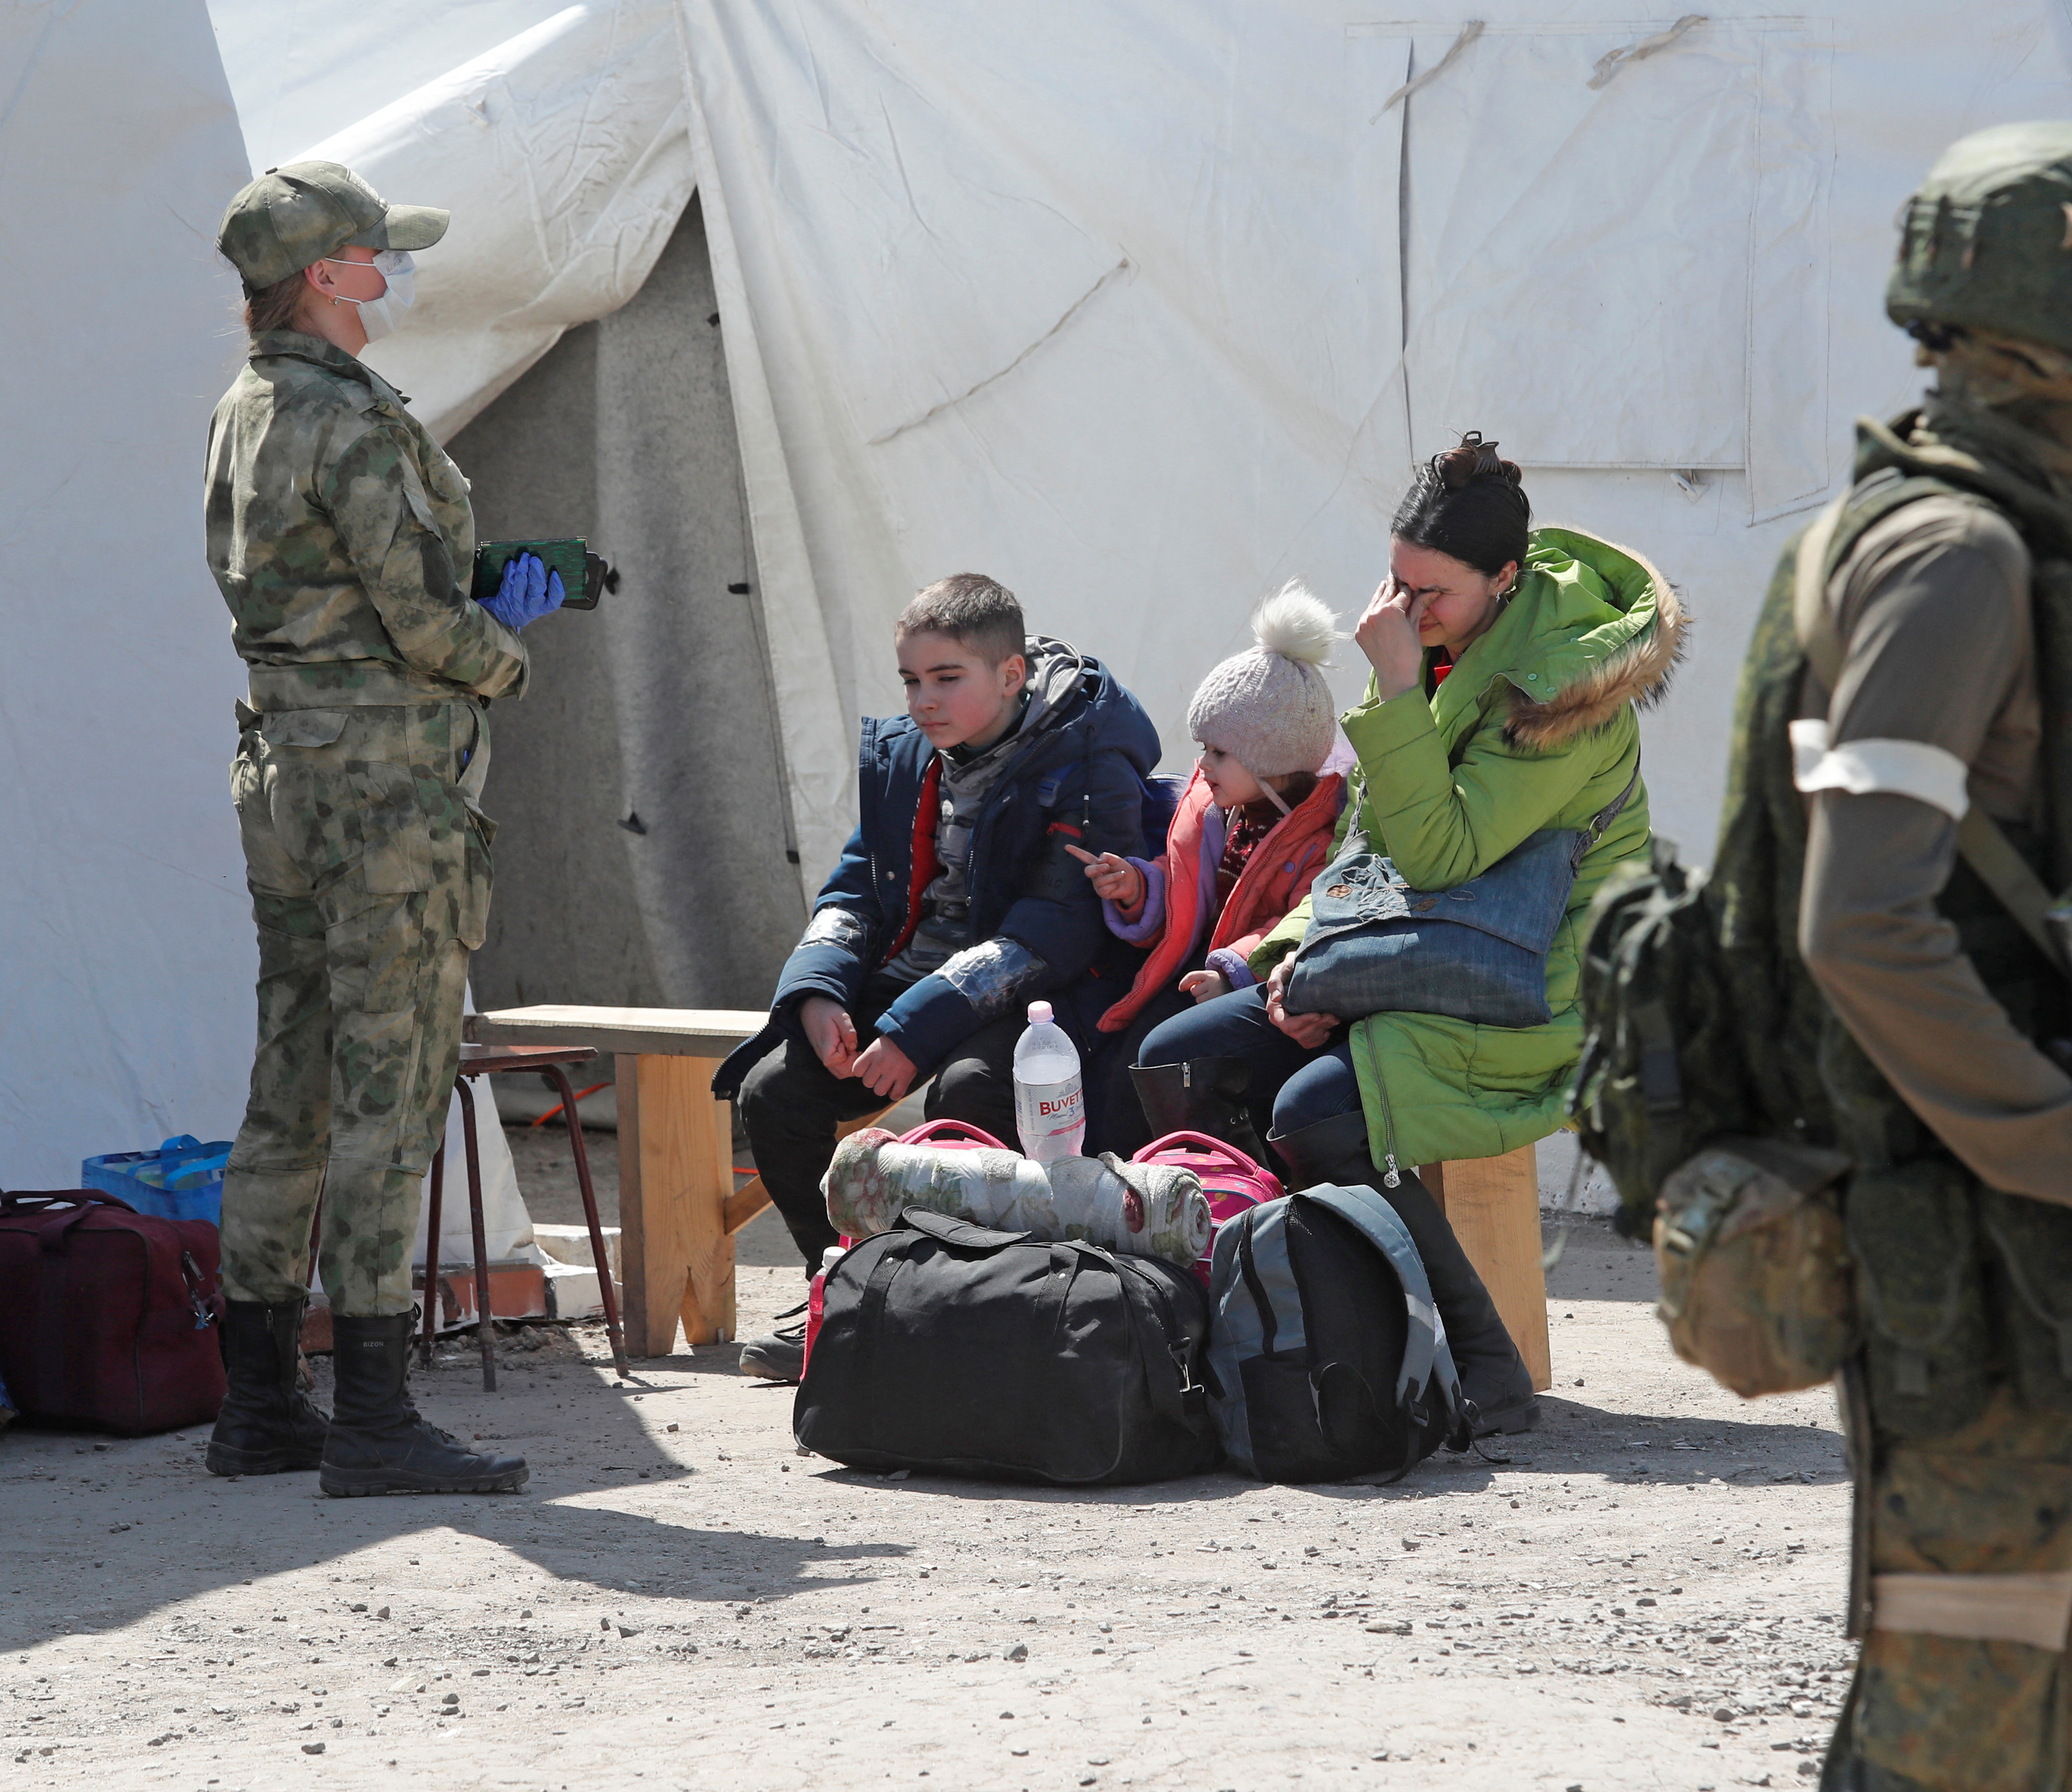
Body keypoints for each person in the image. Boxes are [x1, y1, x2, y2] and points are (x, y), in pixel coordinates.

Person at [1706, 123, 2072, 1789]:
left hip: (2041, 1258)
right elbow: (1859, 921)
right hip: (1979, 1255)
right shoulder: (1951, 557)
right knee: (1956, 1717)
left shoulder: (1981, 535)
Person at [1134, 436, 1682, 1434]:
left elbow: (1437, 853)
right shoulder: (1450, 648)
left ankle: (1482, 1365)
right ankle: (1287, 1324)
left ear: (1506, 581)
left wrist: (1393, 693)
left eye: (1432, 592)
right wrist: (1258, 958)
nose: (1404, 610)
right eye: (1396, 581)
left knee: (1317, 1118)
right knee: (1176, 1062)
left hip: (1533, 986)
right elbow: (1369, 852)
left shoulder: (1563, 694)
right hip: (1417, 944)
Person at [202, 161, 567, 1496]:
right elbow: (421, 622)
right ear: (328, 274)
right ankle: (371, 1416)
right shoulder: (353, 421)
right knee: (388, 1094)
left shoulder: (246, 409)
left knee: (287, 1084)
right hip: (385, 792)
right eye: (378, 254)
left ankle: (256, 1407)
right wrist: (507, 646)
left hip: (286, 772)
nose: (395, 274)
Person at [712, 574, 1158, 1380]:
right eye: (912, 680)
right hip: (915, 983)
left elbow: (1054, 933)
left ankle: (958, 1300)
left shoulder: (1089, 757)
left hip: (1038, 998)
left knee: (971, 1094)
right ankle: (842, 1288)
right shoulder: (905, 756)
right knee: (775, 1092)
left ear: (1012, 675)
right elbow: (856, 889)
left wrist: (914, 1030)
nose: (924, 700)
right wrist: (817, 994)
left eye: (947, 678)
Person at [1069, 581, 1349, 1156]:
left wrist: (1231, 971)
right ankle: (1115, 1183)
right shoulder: (1224, 814)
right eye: (1204, 747)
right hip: (1195, 976)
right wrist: (1138, 886)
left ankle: (1178, 1181)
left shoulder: (1319, 838)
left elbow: (1292, 924)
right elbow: (1185, 889)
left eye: (1220, 752)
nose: (1201, 764)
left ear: (1271, 758)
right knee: (1114, 1073)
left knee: (1149, 1068)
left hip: (1253, 990)